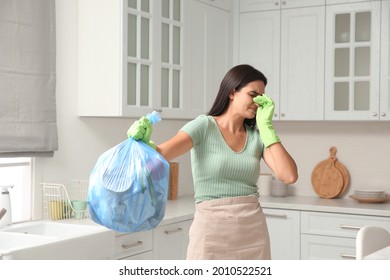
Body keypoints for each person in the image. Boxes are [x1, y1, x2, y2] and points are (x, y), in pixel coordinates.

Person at [127, 64, 298, 260]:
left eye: (262, 97)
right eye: (253, 94)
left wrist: (266, 127)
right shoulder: (204, 126)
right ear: (233, 92)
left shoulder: (257, 136)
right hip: (211, 230)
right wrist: (142, 142)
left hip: (252, 232)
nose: (258, 102)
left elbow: (289, 175)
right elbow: (161, 154)